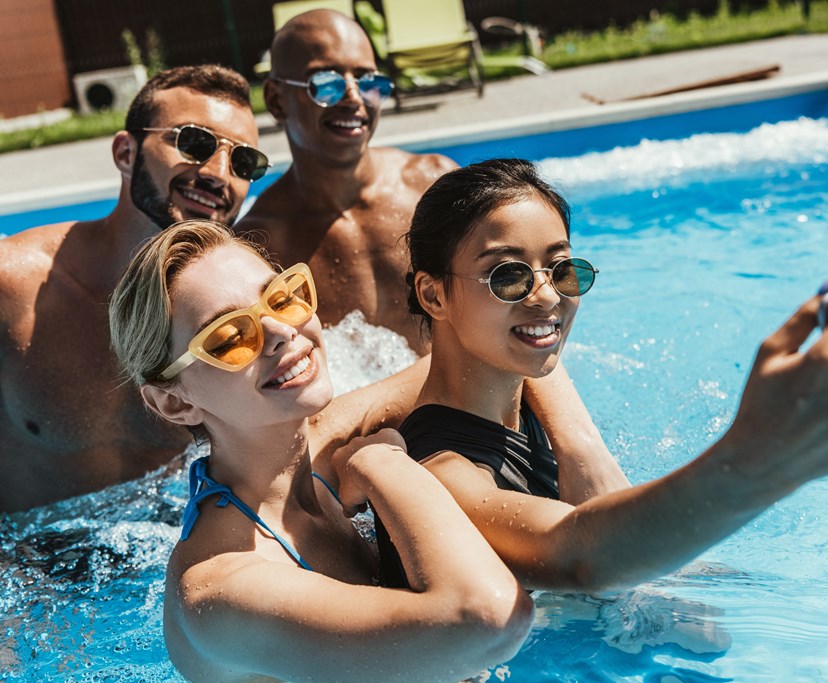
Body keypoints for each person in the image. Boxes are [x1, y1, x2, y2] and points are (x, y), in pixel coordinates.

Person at [384, 157, 828, 594]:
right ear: (433, 294)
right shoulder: (442, 474)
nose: (546, 297)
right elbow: (573, 554)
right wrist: (767, 455)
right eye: (506, 276)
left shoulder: (525, 387)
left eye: (563, 268)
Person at [108, 219, 533, 681]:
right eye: (230, 338)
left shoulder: (319, 446)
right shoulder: (223, 591)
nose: (279, 332)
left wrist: (584, 462)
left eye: (282, 297)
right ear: (173, 401)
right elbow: (489, 622)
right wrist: (382, 464)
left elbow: (498, 348)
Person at [0, 65, 273, 512]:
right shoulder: (13, 286)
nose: (218, 174)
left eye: (243, 162)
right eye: (193, 143)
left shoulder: (247, 309)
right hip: (30, 568)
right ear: (126, 153)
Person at [235, 9, 456, 353]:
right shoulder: (259, 246)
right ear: (277, 100)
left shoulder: (434, 185)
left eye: (369, 82)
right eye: (326, 83)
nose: (354, 98)